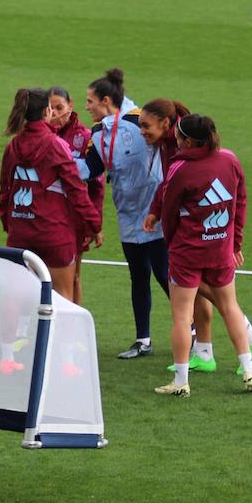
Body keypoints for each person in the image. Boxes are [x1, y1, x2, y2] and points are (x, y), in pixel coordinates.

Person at [139, 99, 252, 377]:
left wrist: (171, 242)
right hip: (219, 244)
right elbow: (239, 202)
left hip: (190, 247)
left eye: (145, 125)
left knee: (191, 308)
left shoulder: (182, 165)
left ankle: (186, 376)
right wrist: (234, 242)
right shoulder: (228, 158)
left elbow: (172, 203)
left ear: (180, 136)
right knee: (216, 300)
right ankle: (214, 356)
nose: (142, 131)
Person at [82, 68, 168, 359]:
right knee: (138, 274)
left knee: (165, 274)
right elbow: (90, 169)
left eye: (90, 101)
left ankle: (194, 334)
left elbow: (168, 143)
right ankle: (143, 339)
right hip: (128, 211)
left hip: (156, 211)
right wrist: (58, 160)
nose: (87, 107)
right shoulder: (99, 132)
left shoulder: (139, 119)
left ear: (106, 100)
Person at [0, 88, 103, 303]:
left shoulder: (12, 147)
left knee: (16, 298)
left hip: (20, 229)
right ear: (46, 111)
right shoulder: (57, 145)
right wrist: (94, 224)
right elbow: (76, 189)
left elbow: (5, 190)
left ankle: (13, 337)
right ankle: (62, 338)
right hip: (54, 233)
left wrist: (10, 223)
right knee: (62, 298)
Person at [46, 86, 102, 305]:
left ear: (71, 106)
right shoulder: (43, 136)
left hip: (74, 217)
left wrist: (93, 222)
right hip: (47, 216)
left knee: (73, 276)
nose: (56, 113)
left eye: (60, 107)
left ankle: (74, 331)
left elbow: (96, 186)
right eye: (51, 108)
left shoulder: (85, 137)